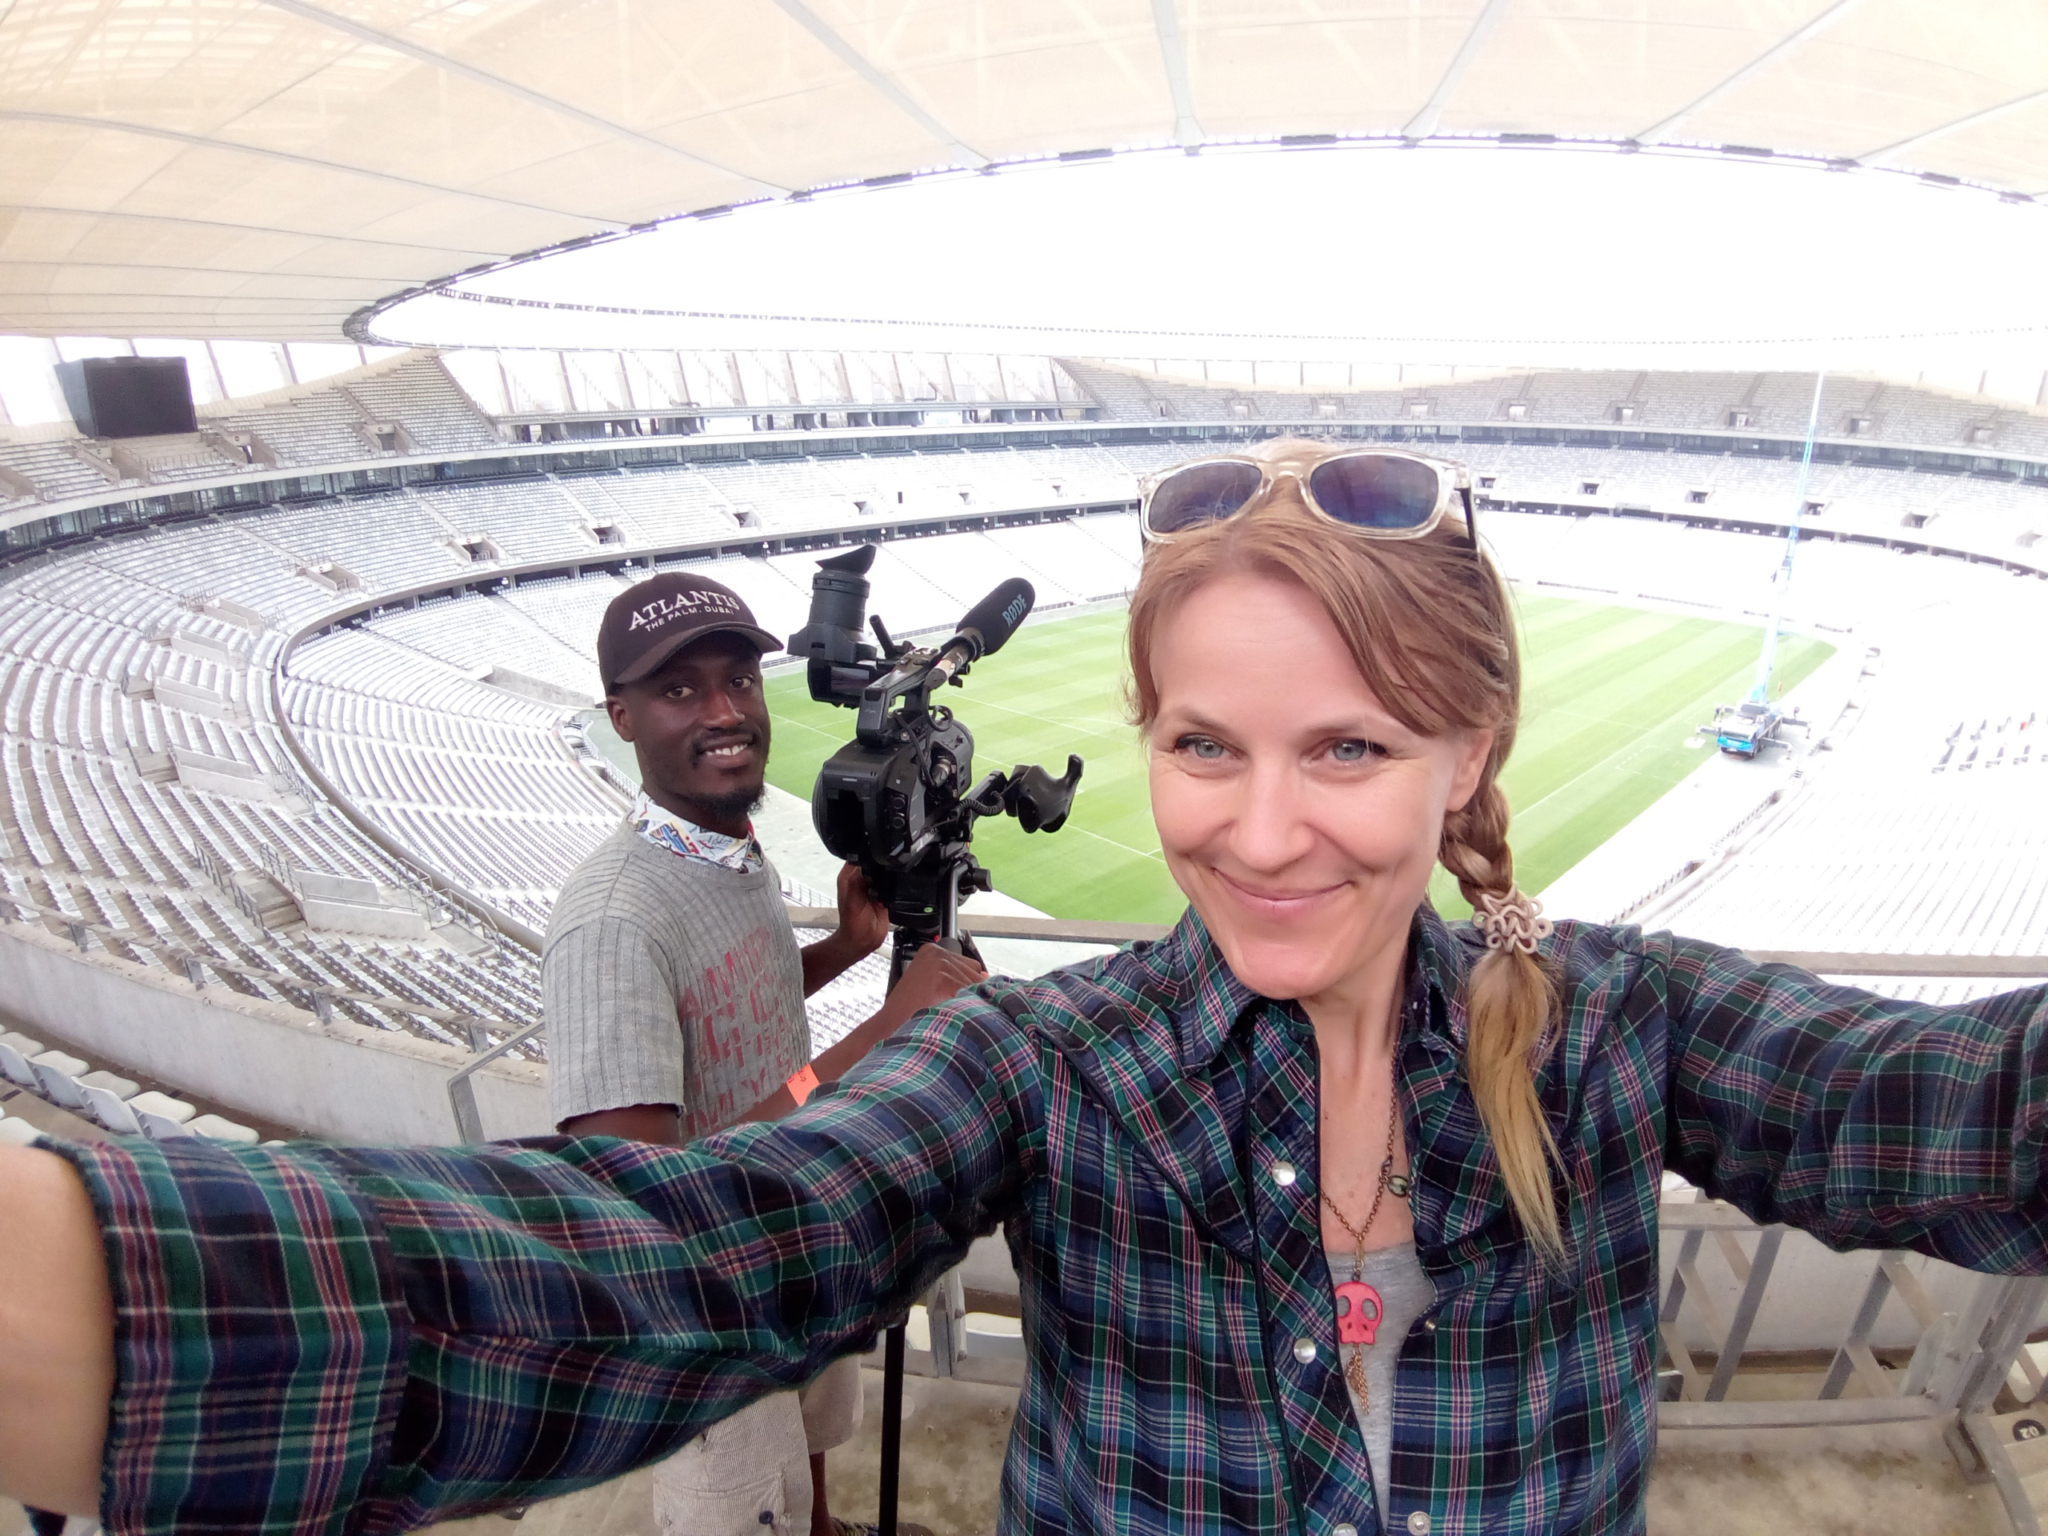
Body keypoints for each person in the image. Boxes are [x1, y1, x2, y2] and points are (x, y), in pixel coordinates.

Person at [8, 437, 2048, 1536]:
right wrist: (101, 1282)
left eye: (1347, 747)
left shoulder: (1627, 1024)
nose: (1262, 832)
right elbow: (695, 1255)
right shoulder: (1043, 1063)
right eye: (1204, 746)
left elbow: (1969, 1119)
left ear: (1467, 754)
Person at [547, 569, 977, 1536]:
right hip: (711, 1314)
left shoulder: (722, 845)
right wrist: (886, 1029)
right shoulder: (612, 925)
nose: (724, 711)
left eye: (739, 680)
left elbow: (736, 1007)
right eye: (680, 689)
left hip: (794, 1242)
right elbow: (647, 1201)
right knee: (744, 1501)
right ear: (622, 716)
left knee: (813, 1439)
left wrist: (846, 949)